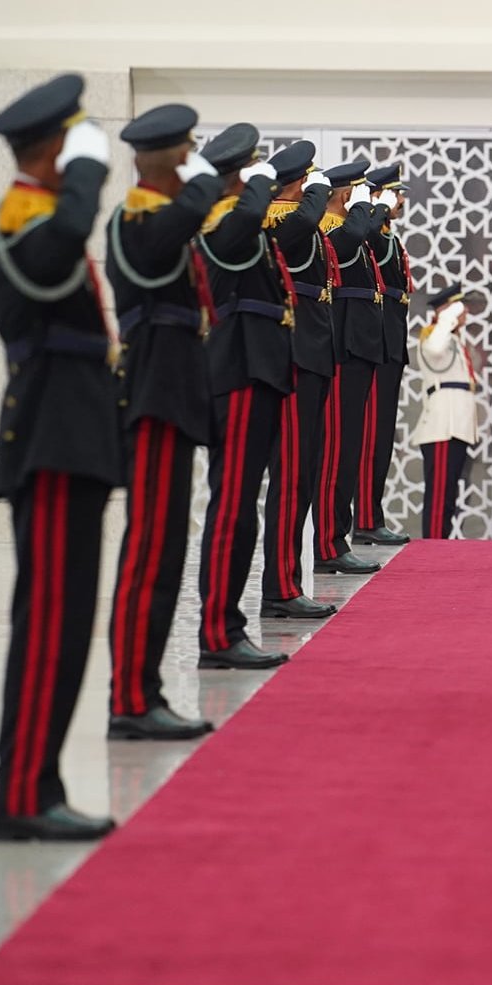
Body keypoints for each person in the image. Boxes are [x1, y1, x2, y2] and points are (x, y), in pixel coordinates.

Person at [0, 75, 122, 844]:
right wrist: (91, 174)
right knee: (50, 624)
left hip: (71, 435)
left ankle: (36, 783)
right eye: (75, 144)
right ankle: (23, 792)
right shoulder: (22, 220)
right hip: (50, 437)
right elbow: (66, 239)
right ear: (52, 149)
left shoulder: (35, 218)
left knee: (64, 625)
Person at [103, 103, 221, 742]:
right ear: (163, 160)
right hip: (150, 393)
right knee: (148, 549)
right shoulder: (138, 219)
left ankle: (143, 691)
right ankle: (128, 698)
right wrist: (202, 179)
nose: (191, 167)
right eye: (185, 155)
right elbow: (175, 228)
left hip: (173, 392)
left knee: (166, 548)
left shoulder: (161, 218)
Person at [192, 125, 292, 671]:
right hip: (237, 372)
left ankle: (227, 628)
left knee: (241, 510)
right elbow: (249, 219)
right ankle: (217, 633)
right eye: (250, 170)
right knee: (232, 509)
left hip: (257, 371)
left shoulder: (233, 221)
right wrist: (259, 183)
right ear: (236, 174)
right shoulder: (220, 224)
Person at [257, 150, 344, 621]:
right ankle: (280, 588)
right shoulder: (280, 222)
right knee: (289, 478)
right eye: (310, 181)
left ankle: (289, 582)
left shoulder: (300, 221)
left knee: (303, 475)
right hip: (293, 355)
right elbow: (308, 217)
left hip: (313, 353)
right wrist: (314, 190)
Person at [314, 175, 395, 575]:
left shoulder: (350, 231)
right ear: (346, 195)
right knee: (337, 450)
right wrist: (367, 207)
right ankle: (329, 542)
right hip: (345, 349)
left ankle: (336, 539)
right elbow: (354, 236)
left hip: (360, 348)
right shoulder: (333, 231)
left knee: (348, 450)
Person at [355, 163, 416, 547]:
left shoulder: (388, 234)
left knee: (382, 435)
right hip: (377, 340)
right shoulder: (370, 234)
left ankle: (371, 513)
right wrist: (375, 205)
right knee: (370, 434)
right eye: (395, 193)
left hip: (391, 339)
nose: (402, 200)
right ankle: (364, 517)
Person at [411, 286, 479, 537]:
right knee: (439, 498)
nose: (465, 312)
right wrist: (448, 317)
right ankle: (432, 549)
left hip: (457, 428)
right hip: (443, 428)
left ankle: (439, 547)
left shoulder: (455, 339)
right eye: (459, 307)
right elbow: (435, 350)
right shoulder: (434, 336)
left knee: (447, 496)